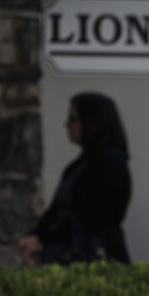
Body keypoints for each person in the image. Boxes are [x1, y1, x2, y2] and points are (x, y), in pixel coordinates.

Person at [17, 93, 132, 265]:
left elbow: (94, 217)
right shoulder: (80, 165)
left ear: (91, 122)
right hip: (70, 255)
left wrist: (44, 239)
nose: (67, 125)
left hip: (95, 258)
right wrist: (35, 236)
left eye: (73, 119)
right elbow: (56, 211)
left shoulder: (111, 163)